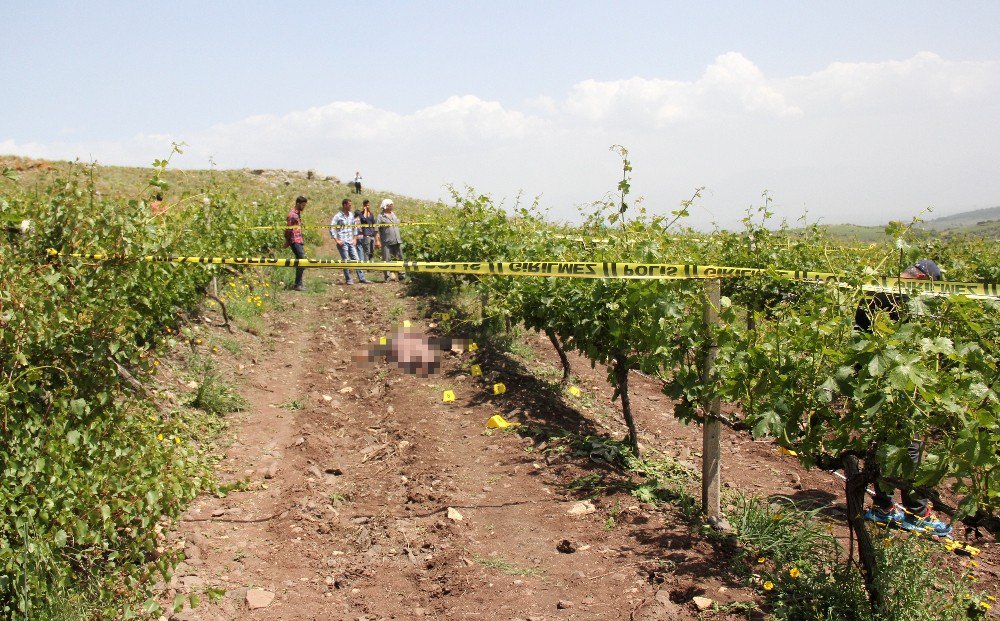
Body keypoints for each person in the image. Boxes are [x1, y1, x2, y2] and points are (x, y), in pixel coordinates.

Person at [857, 259, 951, 536]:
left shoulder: (874, 289)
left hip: (872, 378)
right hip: (899, 381)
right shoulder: (905, 301)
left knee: (882, 443)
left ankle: (883, 506)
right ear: (923, 279)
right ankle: (917, 513)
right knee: (909, 446)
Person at [331, 198, 370, 285]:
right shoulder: (338, 216)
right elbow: (332, 227)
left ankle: (362, 278)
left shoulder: (351, 215)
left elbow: (354, 227)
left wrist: (355, 238)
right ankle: (349, 279)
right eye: (349, 205)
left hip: (351, 241)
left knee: (356, 259)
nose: (350, 206)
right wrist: (336, 239)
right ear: (344, 205)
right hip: (342, 241)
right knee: (346, 260)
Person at [376, 198, 405, 283]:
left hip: (397, 240)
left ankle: (401, 276)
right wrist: (377, 241)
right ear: (386, 206)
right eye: (391, 204)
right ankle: (388, 277)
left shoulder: (393, 214)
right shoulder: (381, 216)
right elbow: (376, 230)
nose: (392, 206)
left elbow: (398, 223)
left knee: (400, 258)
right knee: (387, 259)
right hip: (386, 242)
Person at [285, 196, 308, 291]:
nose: (304, 207)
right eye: (303, 205)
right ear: (298, 203)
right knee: (302, 261)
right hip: (294, 241)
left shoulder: (298, 214)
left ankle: (299, 283)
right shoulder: (292, 215)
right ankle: (297, 284)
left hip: (299, 240)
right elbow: (288, 229)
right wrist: (287, 241)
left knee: (301, 261)